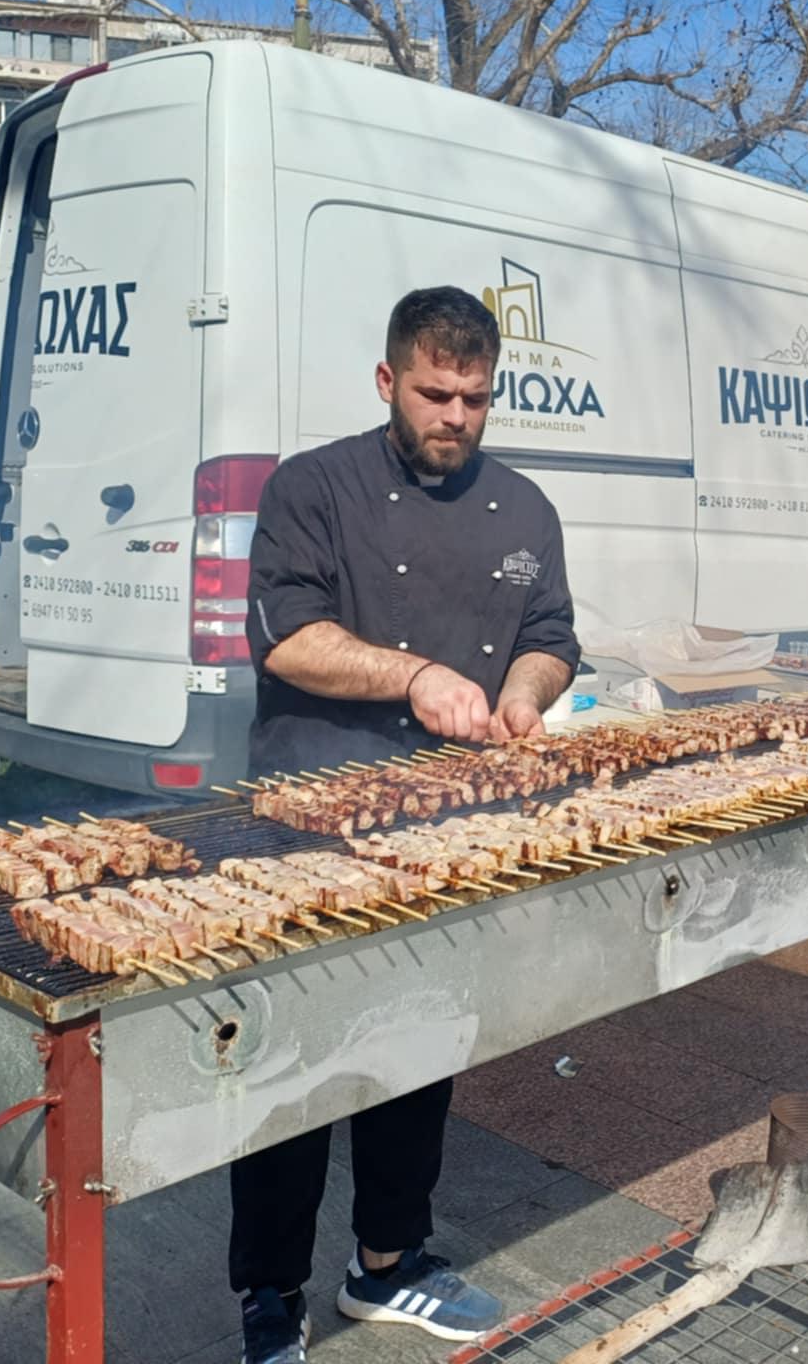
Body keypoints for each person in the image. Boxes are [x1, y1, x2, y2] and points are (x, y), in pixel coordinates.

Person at [232, 286, 580, 1364]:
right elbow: (287, 638)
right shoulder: (314, 488)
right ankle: (269, 1298)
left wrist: (524, 691)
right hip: (309, 817)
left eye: (474, 398)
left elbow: (551, 631)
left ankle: (387, 1264)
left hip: (450, 823)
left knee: (420, 1045)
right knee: (292, 1071)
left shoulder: (523, 509)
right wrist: (415, 674)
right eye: (435, 393)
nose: (456, 417)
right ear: (388, 382)